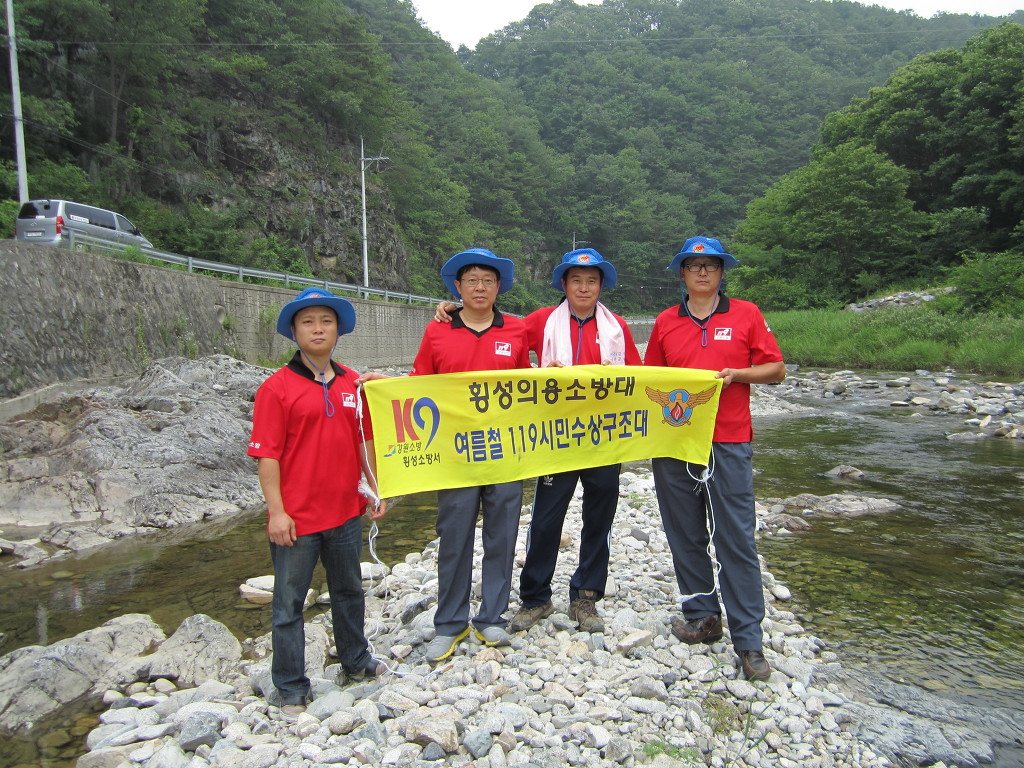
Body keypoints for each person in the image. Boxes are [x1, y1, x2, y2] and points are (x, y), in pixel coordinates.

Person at [644, 236, 785, 681]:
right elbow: (649, 381)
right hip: (676, 442)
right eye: (694, 265)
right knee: (684, 532)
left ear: (722, 272)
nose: (702, 272)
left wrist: (738, 374)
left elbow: (776, 370)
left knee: (736, 538)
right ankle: (702, 616)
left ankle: (749, 641)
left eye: (711, 265)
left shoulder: (747, 314)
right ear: (682, 273)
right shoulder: (666, 321)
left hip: (729, 440)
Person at [247, 286, 388, 721]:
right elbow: (268, 456)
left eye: (326, 321)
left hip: (345, 511)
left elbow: (364, 440)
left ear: (338, 330)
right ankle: (291, 686)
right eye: (308, 322)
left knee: (349, 592)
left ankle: (355, 660)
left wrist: (375, 488)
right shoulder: (276, 388)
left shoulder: (352, 384)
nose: (318, 329)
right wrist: (276, 512)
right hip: (297, 519)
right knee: (289, 604)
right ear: (294, 331)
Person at [413, 248, 531, 662]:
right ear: (458, 288)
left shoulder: (516, 329)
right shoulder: (437, 331)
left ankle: (492, 616)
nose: (480, 287)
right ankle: (450, 623)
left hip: (505, 451)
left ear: (499, 287)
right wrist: (380, 386)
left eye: (488, 280)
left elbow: (528, 386)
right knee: (454, 537)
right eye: (472, 280)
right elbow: (417, 385)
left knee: (503, 535)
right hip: (454, 454)